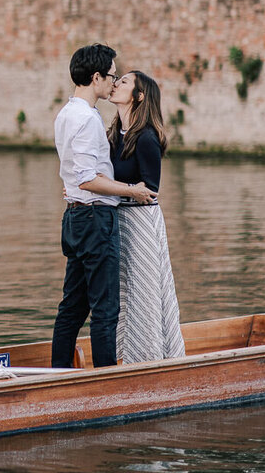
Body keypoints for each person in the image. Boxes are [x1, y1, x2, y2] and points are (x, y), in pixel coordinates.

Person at [51, 44, 156, 369]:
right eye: (111, 76)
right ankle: (107, 382)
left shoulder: (67, 113)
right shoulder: (87, 119)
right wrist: (132, 191)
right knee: (105, 307)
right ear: (95, 77)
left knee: (73, 307)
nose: (113, 82)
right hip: (96, 219)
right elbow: (87, 178)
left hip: (76, 218)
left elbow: (76, 178)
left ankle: (59, 374)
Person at [108, 71, 185, 364]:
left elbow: (150, 190)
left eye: (124, 82)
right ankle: (122, 354)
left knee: (144, 289)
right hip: (119, 219)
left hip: (140, 223)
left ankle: (148, 355)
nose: (116, 84)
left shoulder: (147, 138)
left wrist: (120, 189)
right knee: (123, 289)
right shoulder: (114, 134)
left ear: (139, 97)